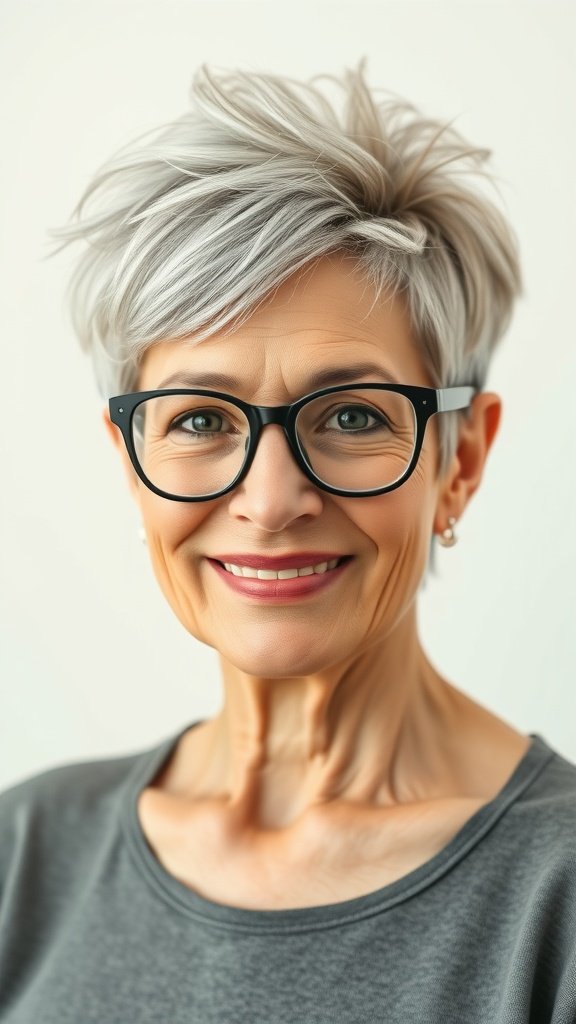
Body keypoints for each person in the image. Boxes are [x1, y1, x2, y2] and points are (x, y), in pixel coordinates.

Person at [1, 59, 574, 1023]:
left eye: (350, 416)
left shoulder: (553, 902)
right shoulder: (24, 855)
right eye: (198, 420)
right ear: (129, 459)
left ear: (460, 458)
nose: (271, 501)